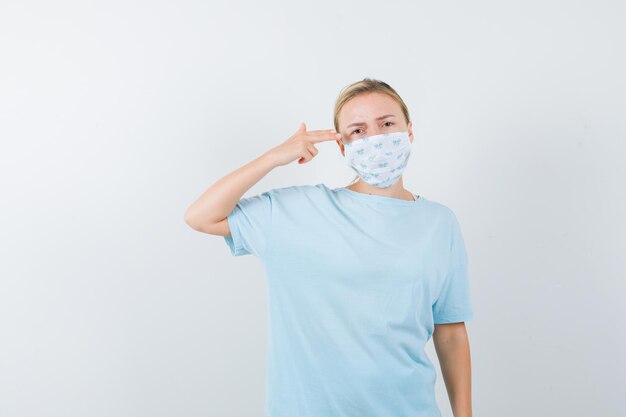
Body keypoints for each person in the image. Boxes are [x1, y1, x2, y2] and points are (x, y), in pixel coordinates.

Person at [184, 78, 474, 417]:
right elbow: (200, 217)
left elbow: (451, 332)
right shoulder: (299, 212)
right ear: (342, 146)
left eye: (387, 124)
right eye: (358, 131)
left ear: (408, 131)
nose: (376, 138)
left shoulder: (440, 223)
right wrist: (274, 158)